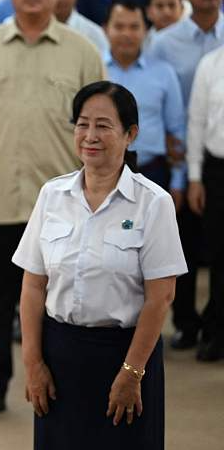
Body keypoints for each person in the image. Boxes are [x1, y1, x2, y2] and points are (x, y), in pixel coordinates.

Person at [0, 0, 105, 422]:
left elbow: (101, 126)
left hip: (63, 212)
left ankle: (56, 388)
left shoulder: (83, 51)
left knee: (60, 308)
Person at [14, 81, 186, 449]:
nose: (90, 135)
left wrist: (132, 373)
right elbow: (32, 286)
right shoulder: (52, 195)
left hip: (125, 355)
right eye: (82, 124)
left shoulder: (153, 203)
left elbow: (161, 297)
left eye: (104, 126)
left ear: (130, 134)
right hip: (59, 357)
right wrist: (33, 364)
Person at [146, 0, 223, 351]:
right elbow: (163, 94)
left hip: (200, 150)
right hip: (194, 156)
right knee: (190, 244)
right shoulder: (166, 41)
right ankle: (189, 324)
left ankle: (216, 325)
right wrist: (188, 173)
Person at [104, 1, 185, 198]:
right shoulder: (93, 68)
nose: (126, 34)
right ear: (105, 29)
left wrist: (177, 181)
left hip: (152, 172)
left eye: (134, 27)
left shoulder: (164, 72)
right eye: (119, 26)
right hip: (101, 173)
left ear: (146, 31)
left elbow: (177, 130)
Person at [186, 44, 224, 361]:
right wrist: (195, 176)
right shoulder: (210, 64)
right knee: (219, 253)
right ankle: (217, 333)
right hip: (217, 170)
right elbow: (196, 121)